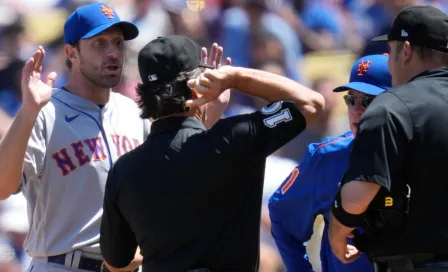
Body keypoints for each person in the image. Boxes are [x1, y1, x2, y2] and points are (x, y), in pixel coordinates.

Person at [0, 3, 230, 272]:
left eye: (118, 42)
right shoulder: (43, 112)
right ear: (71, 53)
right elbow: (3, 188)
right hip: (63, 265)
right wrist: (28, 111)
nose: (113, 53)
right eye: (99, 43)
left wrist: (211, 112)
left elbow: (175, 171)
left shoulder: (136, 113)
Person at [99, 34, 325, 272]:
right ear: (197, 88)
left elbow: (117, 263)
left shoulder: (124, 170)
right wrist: (235, 78)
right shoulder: (236, 138)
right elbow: (311, 103)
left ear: (143, 94)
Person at [328, 5, 448, 272]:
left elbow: (356, 200)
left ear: (405, 51)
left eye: (391, 51)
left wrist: (337, 231)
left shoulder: (391, 106)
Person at [268, 54, 391, 272]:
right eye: (351, 99)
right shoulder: (327, 157)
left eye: (369, 100)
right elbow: (282, 218)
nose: (357, 110)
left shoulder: (425, 152)